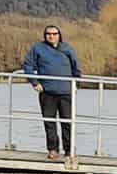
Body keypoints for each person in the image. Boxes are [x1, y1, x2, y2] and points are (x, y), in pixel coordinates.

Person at [20, 24, 82, 161]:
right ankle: (53, 149)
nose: (51, 36)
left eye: (54, 34)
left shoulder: (67, 48)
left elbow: (76, 68)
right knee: (49, 122)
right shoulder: (38, 48)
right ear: (45, 35)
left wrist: (76, 84)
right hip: (47, 91)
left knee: (68, 122)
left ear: (59, 35)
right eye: (48, 34)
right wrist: (34, 82)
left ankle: (69, 150)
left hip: (66, 91)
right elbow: (28, 65)